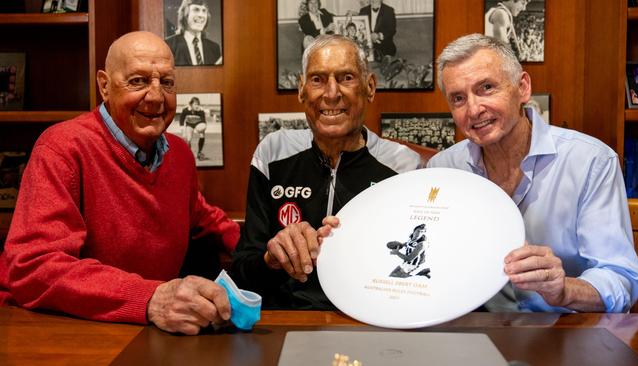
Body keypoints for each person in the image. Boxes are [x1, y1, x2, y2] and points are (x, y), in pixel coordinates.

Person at [0, 31, 240, 335]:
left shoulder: (178, 153)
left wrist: (264, 250)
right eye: (138, 81)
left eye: (166, 82)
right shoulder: (62, 148)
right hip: (52, 329)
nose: (155, 96)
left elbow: (204, 217)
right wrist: (150, 298)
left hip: (139, 329)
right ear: (104, 85)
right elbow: (34, 268)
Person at [427, 33, 638, 312]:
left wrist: (563, 289)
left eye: (487, 88)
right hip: (475, 334)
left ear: (522, 87)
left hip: (567, 333)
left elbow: (620, 278)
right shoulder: (443, 170)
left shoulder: (590, 161)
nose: (474, 109)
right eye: (458, 98)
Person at [231, 34, 419, 310]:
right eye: (318, 79)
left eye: (346, 78)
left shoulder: (404, 166)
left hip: (368, 320)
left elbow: (412, 272)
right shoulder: (273, 152)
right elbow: (242, 272)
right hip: (284, 320)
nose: (331, 94)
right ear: (301, 90)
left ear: (369, 87)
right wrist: (272, 259)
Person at [165, 0, 222, 66]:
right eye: (196, 10)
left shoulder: (214, 48)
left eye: (204, 11)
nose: (201, 15)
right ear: (185, 14)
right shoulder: (169, 45)